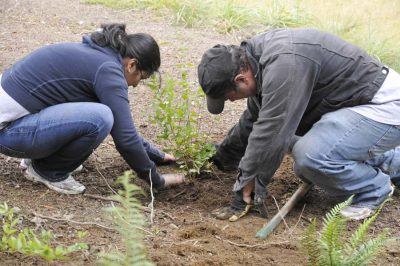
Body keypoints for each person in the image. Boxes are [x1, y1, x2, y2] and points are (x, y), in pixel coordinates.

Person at [197, 28, 400, 221]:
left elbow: (272, 131)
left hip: (383, 105)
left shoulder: (285, 64)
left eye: (229, 97)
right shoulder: (254, 59)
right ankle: (392, 162)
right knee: (306, 154)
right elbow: (254, 119)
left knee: (312, 157)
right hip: (351, 107)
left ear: (241, 78)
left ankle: (373, 189)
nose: (231, 101)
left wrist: (244, 189)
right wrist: (221, 158)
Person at [0, 23, 184, 195]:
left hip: (15, 124)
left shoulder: (99, 57)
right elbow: (125, 138)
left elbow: (123, 128)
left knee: (99, 113)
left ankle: (46, 161)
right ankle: (47, 170)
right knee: (100, 117)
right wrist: (155, 180)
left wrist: (157, 156)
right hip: (6, 131)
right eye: (141, 78)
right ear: (131, 65)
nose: (135, 85)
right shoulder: (108, 71)